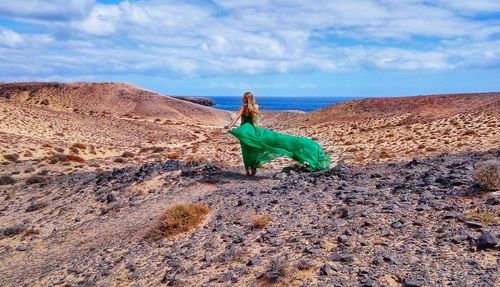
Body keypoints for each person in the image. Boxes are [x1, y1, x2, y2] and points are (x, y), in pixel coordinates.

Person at [225, 92, 331, 176]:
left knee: (247, 151)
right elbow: (254, 121)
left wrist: (230, 126)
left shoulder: (244, 107)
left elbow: (237, 117)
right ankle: (252, 170)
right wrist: (256, 130)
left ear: (247, 99)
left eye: (244, 98)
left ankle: (248, 171)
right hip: (255, 130)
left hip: (247, 131)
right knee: (256, 149)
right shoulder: (256, 106)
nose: (242, 99)